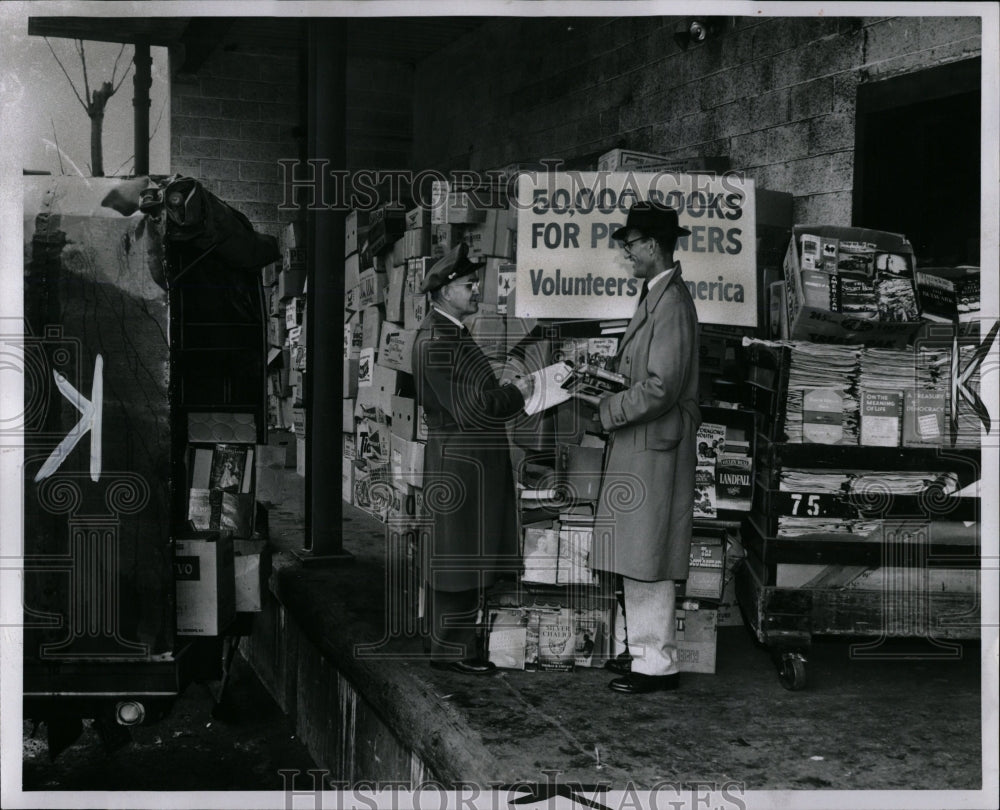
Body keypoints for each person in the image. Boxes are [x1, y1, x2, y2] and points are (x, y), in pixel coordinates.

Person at [589, 200, 701, 694]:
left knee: (649, 555)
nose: (627, 253)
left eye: (631, 245)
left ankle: (657, 664)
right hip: (644, 444)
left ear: (653, 245)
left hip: (653, 445)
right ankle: (641, 653)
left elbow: (662, 386)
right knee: (637, 554)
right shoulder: (656, 296)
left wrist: (608, 408)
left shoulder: (670, 302)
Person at [411, 243, 534, 675]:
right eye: (467, 284)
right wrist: (519, 393)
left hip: (468, 458)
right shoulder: (437, 339)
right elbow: (474, 407)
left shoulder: (449, 332)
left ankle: (457, 644)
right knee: (456, 556)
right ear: (444, 291)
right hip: (460, 461)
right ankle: (451, 651)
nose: (475, 289)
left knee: (466, 551)